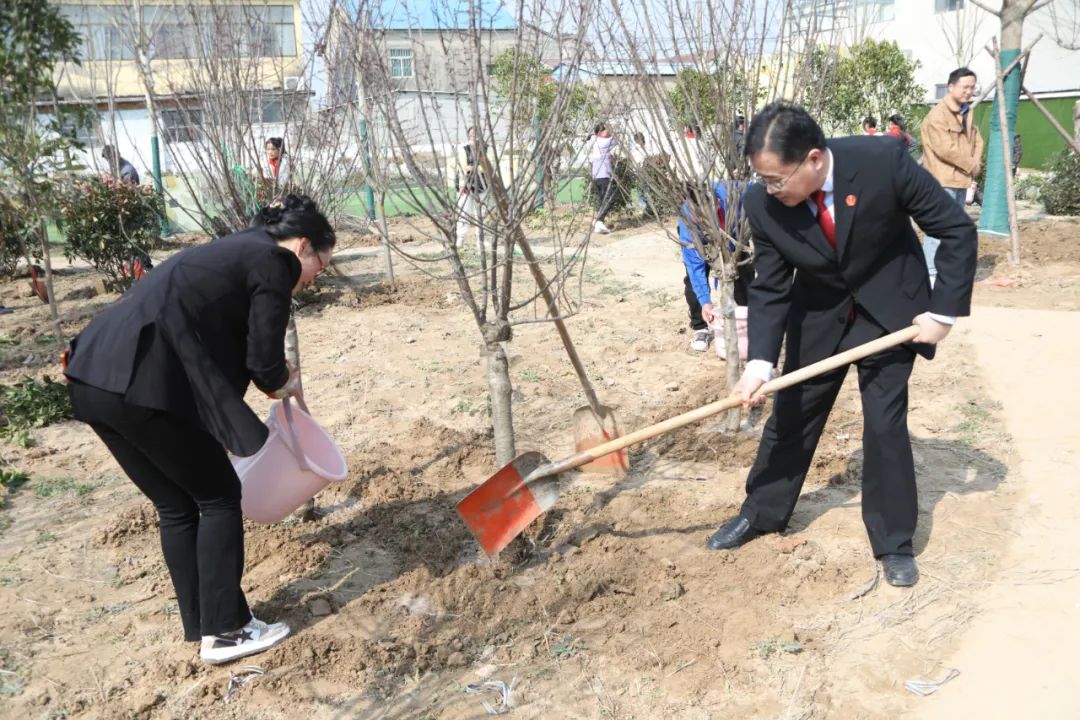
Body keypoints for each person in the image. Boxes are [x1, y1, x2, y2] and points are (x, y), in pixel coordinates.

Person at [704, 103, 977, 588]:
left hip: (890, 311)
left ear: (813, 159)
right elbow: (771, 286)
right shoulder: (763, 203)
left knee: (885, 424)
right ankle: (761, 512)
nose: (768, 188)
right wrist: (760, 363)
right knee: (792, 413)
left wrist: (943, 312)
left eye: (776, 179)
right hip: (820, 314)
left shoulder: (882, 162)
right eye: (762, 179)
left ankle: (894, 542)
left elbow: (955, 229)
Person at [64, 194, 335, 664]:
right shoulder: (275, 262)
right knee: (220, 496)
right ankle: (226, 632)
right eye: (320, 266)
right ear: (303, 246)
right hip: (143, 386)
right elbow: (263, 360)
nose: (313, 278)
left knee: (177, 504)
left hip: (92, 378)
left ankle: (202, 623)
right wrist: (282, 379)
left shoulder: (234, 248)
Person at [920, 67, 983, 287]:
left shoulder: (967, 112)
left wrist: (975, 164)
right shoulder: (937, 115)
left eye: (972, 87)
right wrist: (971, 165)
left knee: (955, 229)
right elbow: (945, 149)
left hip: (961, 179)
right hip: (941, 180)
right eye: (965, 87)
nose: (969, 91)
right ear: (951, 87)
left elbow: (977, 140)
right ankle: (930, 273)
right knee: (938, 228)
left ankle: (946, 271)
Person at [678, 182, 752, 353]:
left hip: (735, 233)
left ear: (717, 203)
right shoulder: (687, 223)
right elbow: (695, 268)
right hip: (700, 239)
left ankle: (747, 320)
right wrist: (705, 302)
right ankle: (701, 327)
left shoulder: (735, 194)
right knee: (693, 281)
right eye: (699, 217)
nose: (703, 220)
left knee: (744, 274)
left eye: (707, 216)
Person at [455, 126, 488, 250]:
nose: (474, 135)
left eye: (476, 133)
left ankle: (481, 240)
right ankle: (460, 239)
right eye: (471, 133)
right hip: (466, 185)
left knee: (481, 214)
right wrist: (462, 184)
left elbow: (488, 167)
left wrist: (473, 168)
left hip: (482, 185)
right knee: (464, 212)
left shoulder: (486, 148)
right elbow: (463, 167)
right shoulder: (464, 149)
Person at [590, 123, 617, 234]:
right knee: (610, 198)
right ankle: (599, 221)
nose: (608, 131)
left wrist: (593, 133)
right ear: (600, 133)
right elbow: (616, 140)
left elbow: (592, 136)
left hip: (596, 176)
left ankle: (598, 224)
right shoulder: (603, 142)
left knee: (603, 200)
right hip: (603, 175)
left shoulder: (594, 141)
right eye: (605, 130)